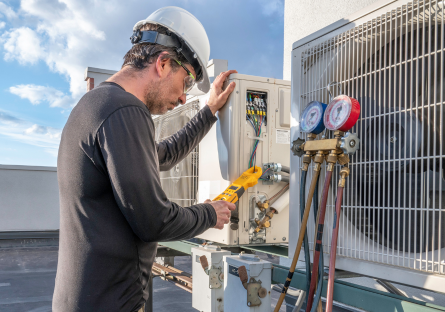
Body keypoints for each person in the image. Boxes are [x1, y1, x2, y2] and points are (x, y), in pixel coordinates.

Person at [53, 7, 237, 312]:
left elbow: (163, 154)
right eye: (187, 82)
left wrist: (208, 110)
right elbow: (155, 221)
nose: (182, 98)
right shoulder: (126, 111)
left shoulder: (98, 105)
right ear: (163, 64)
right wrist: (210, 213)